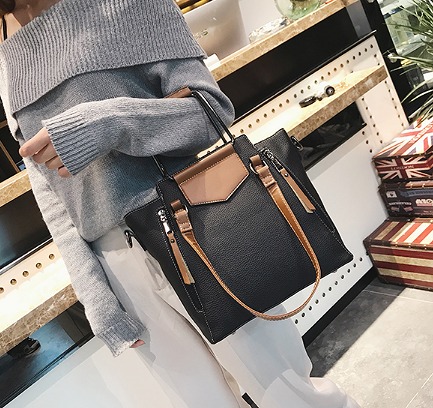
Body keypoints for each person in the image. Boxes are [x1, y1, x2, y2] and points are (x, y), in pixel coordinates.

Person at [0, 1, 361, 407]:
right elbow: (50, 192)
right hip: (117, 263)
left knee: (289, 394)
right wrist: (93, 291)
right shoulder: (7, 52)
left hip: (196, 227)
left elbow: (210, 113)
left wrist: (112, 121)